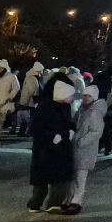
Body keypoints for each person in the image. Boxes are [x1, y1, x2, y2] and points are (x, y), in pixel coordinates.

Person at [28, 75, 76, 213]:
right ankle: (35, 203)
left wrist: (70, 131)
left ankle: (54, 203)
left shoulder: (65, 107)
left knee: (59, 178)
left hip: (61, 149)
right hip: (45, 149)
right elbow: (36, 128)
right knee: (42, 179)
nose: (72, 99)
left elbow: (67, 124)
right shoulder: (45, 107)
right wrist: (51, 137)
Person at [65, 83, 105, 214]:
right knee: (74, 176)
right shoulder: (82, 110)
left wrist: (81, 141)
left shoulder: (94, 113)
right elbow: (75, 124)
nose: (86, 98)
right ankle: (70, 200)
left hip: (86, 150)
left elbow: (96, 132)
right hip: (76, 148)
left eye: (89, 95)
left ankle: (76, 201)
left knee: (80, 177)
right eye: (84, 95)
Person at [16, 63, 43, 138]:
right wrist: (36, 99)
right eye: (41, 70)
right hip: (30, 101)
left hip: (27, 100)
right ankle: (28, 132)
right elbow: (32, 90)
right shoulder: (32, 78)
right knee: (30, 118)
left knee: (26, 118)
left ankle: (22, 132)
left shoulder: (30, 77)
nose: (42, 72)